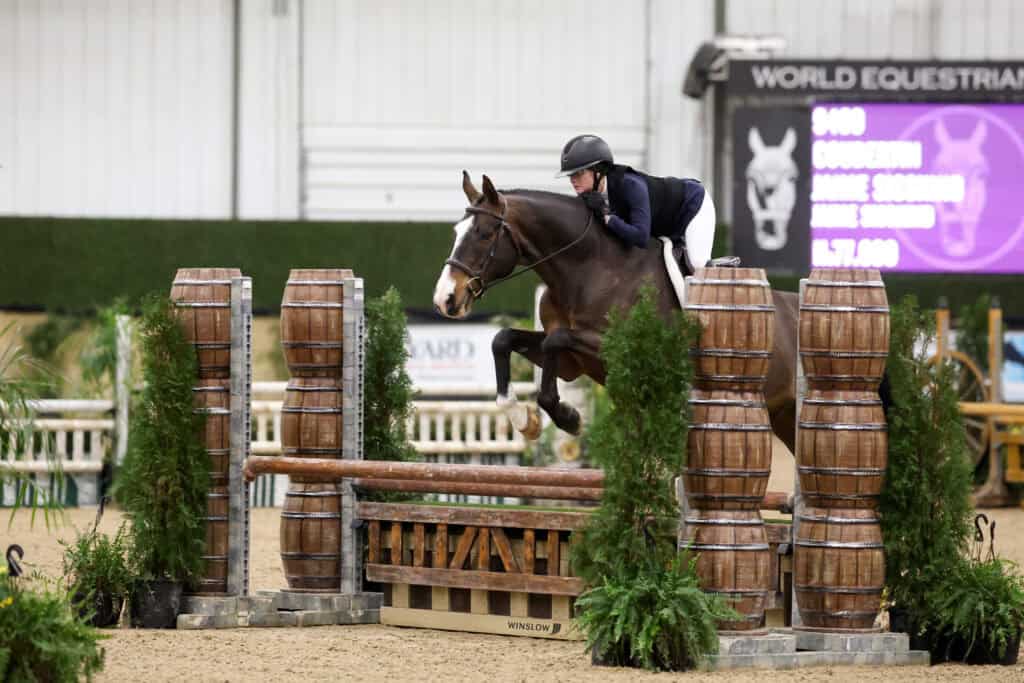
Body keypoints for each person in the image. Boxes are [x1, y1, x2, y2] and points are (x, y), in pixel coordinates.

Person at [556, 134, 716, 275]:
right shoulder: (590, 196)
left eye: (579, 173)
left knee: (698, 265)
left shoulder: (630, 185)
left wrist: (607, 217)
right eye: (571, 175)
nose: (573, 180)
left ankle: (724, 277)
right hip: (664, 222)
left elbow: (641, 237)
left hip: (692, 205)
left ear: (599, 170)